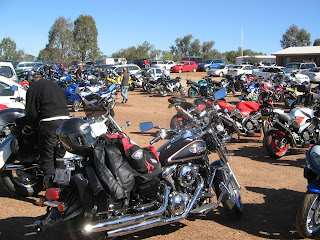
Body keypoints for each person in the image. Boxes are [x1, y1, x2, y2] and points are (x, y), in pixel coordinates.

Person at [25, 73, 70, 188]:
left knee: (47, 156)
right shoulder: (55, 85)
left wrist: (33, 126)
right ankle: (63, 187)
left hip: (49, 123)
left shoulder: (34, 88)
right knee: (60, 156)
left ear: (31, 81)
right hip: (65, 122)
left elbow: (31, 111)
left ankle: (51, 188)